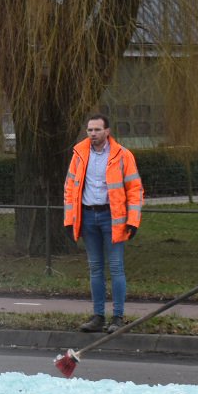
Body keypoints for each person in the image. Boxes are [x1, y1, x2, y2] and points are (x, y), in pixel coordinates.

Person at [62, 113, 143, 332]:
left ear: (107, 131)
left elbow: (135, 190)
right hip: (88, 216)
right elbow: (70, 189)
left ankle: (117, 318)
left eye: (97, 130)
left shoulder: (122, 155)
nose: (93, 134)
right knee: (95, 268)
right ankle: (98, 316)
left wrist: (133, 221)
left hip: (112, 218)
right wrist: (70, 221)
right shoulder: (79, 154)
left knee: (116, 267)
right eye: (90, 130)